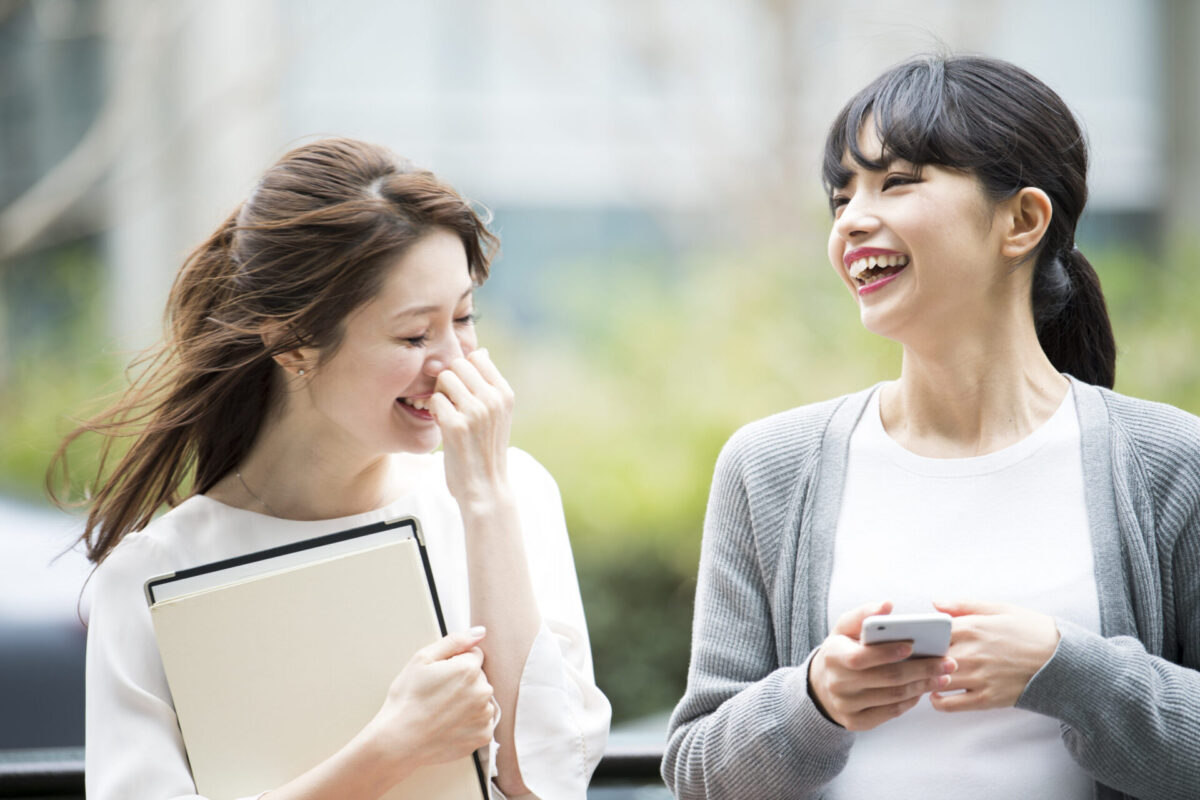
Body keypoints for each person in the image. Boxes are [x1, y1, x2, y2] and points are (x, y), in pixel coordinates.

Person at [662, 54, 1200, 800]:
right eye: (840, 195)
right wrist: (815, 700)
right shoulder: (769, 466)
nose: (852, 220)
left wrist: (1065, 670)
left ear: (1022, 221)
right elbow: (697, 773)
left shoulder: (1172, 462)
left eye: (897, 182)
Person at [51, 138, 610, 800]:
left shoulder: (509, 494)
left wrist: (485, 499)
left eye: (464, 317)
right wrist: (389, 748)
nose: (456, 361)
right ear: (290, 342)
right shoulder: (150, 575)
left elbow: (543, 782)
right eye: (413, 335)